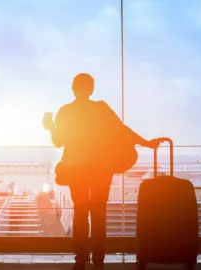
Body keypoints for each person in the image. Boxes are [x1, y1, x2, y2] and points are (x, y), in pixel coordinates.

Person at [43, 73, 161, 270]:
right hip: (100, 169)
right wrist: (147, 143)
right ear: (91, 89)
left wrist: (50, 127)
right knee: (98, 214)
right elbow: (123, 131)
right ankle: (98, 259)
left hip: (76, 168)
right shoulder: (101, 109)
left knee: (80, 212)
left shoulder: (65, 111)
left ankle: (80, 259)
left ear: (73, 88)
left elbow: (58, 142)